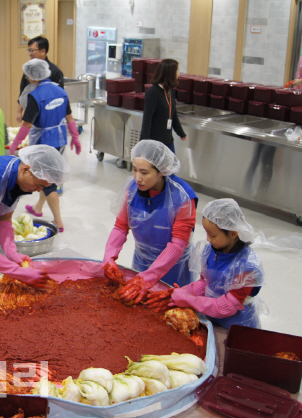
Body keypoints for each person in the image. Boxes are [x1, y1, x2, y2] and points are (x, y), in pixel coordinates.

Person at [0, 145, 70, 286]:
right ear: (26, 170)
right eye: (39, 185)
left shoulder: (14, 171)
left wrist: (12, 253)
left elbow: (4, 218)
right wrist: (16, 271)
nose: (38, 190)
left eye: (43, 187)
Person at [102, 140, 198, 304]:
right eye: (134, 170)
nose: (138, 178)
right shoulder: (132, 189)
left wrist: (149, 277)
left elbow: (178, 244)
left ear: (162, 171)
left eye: (144, 172)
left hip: (173, 267)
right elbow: (121, 226)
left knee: (167, 310)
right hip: (142, 260)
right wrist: (109, 257)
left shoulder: (182, 197)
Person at [147, 199, 264, 329]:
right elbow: (205, 283)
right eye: (206, 233)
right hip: (210, 315)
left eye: (213, 235)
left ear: (233, 233)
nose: (208, 239)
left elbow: (227, 307)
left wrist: (189, 300)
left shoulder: (247, 267)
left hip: (235, 326)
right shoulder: (210, 250)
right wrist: (182, 292)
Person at [10, 59, 82, 232]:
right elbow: (70, 118)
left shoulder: (35, 96)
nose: (27, 78)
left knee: (48, 182)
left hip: (44, 142)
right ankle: (38, 208)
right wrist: (75, 137)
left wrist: (15, 143)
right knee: (46, 176)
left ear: (33, 76)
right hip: (60, 139)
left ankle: (58, 221)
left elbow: (27, 125)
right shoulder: (60, 91)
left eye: (27, 75)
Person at [140, 58, 187, 153]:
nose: (179, 73)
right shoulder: (153, 92)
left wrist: (181, 133)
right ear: (170, 73)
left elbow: (173, 114)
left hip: (168, 139)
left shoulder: (170, 90)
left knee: (171, 166)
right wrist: (145, 143)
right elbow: (147, 119)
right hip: (155, 142)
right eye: (177, 70)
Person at [16, 36, 64, 124]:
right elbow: (23, 92)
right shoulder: (28, 69)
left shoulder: (55, 71)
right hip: (30, 113)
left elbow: (60, 96)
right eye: (28, 50)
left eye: (32, 50)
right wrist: (19, 112)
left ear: (43, 51)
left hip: (49, 115)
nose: (30, 53)